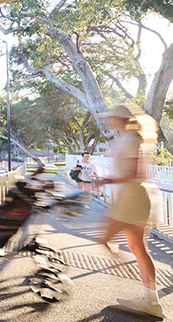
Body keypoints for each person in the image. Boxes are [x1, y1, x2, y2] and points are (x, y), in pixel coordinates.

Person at [97, 105, 167, 318]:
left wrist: (107, 179)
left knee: (105, 239)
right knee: (136, 246)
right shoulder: (129, 138)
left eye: (112, 118)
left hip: (133, 198)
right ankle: (150, 300)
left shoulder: (131, 139)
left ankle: (126, 275)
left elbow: (132, 172)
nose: (109, 122)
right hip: (133, 196)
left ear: (121, 119)